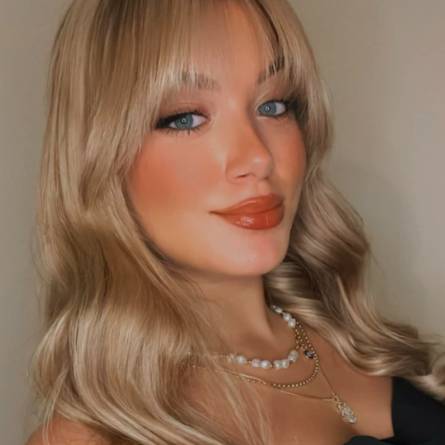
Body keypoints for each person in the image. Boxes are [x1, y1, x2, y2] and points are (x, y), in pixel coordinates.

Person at [25, 1, 445, 444]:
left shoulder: (360, 343)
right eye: (186, 118)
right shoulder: (86, 438)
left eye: (274, 105)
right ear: (99, 155)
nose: (259, 157)